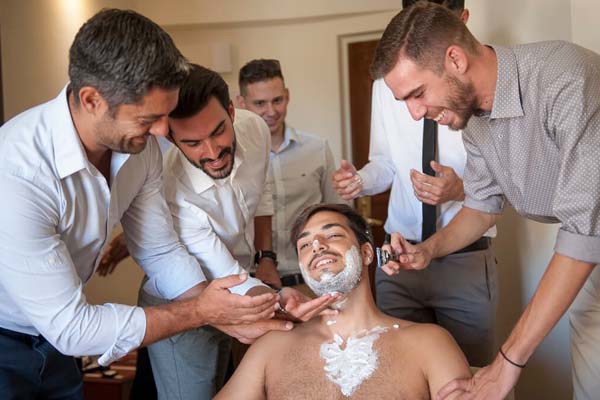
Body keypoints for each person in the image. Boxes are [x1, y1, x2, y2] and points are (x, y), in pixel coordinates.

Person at [0, 9, 291, 399]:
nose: (162, 133)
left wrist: (237, 313)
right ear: (92, 100)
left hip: (55, 347)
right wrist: (203, 312)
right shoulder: (18, 172)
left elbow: (160, 249)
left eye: (165, 117)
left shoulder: (142, 148)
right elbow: (73, 327)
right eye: (149, 119)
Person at [371, 2, 600, 399]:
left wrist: (507, 364)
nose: (414, 114)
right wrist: (428, 250)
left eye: (418, 93)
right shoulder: (475, 123)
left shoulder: (565, 77)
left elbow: (583, 234)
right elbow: (481, 205)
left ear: (455, 59)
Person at [138, 64, 339, 400]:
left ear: (232, 111)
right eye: (193, 143)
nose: (213, 153)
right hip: (185, 299)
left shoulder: (255, 129)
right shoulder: (174, 193)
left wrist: (266, 258)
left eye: (218, 132)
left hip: (242, 280)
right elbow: (226, 274)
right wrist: (278, 300)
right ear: (171, 138)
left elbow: (260, 193)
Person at [332, 0, 497, 368]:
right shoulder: (385, 83)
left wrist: (460, 189)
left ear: (461, 22)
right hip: (399, 255)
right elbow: (386, 163)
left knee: (470, 374)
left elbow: (504, 186)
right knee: (398, 375)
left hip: (464, 257)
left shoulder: (483, 86)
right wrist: (360, 181)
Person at [215, 203, 471, 399]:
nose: (316, 246)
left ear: (367, 253)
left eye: (333, 235)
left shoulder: (430, 342)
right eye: (304, 245)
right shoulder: (271, 346)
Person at [237, 59, 346, 293]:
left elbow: (338, 214)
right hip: (254, 284)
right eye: (260, 103)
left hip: (313, 281)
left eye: (277, 100)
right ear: (241, 104)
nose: (271, 111)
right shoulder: (231, 159)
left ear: (287, 95)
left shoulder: (317, 149)